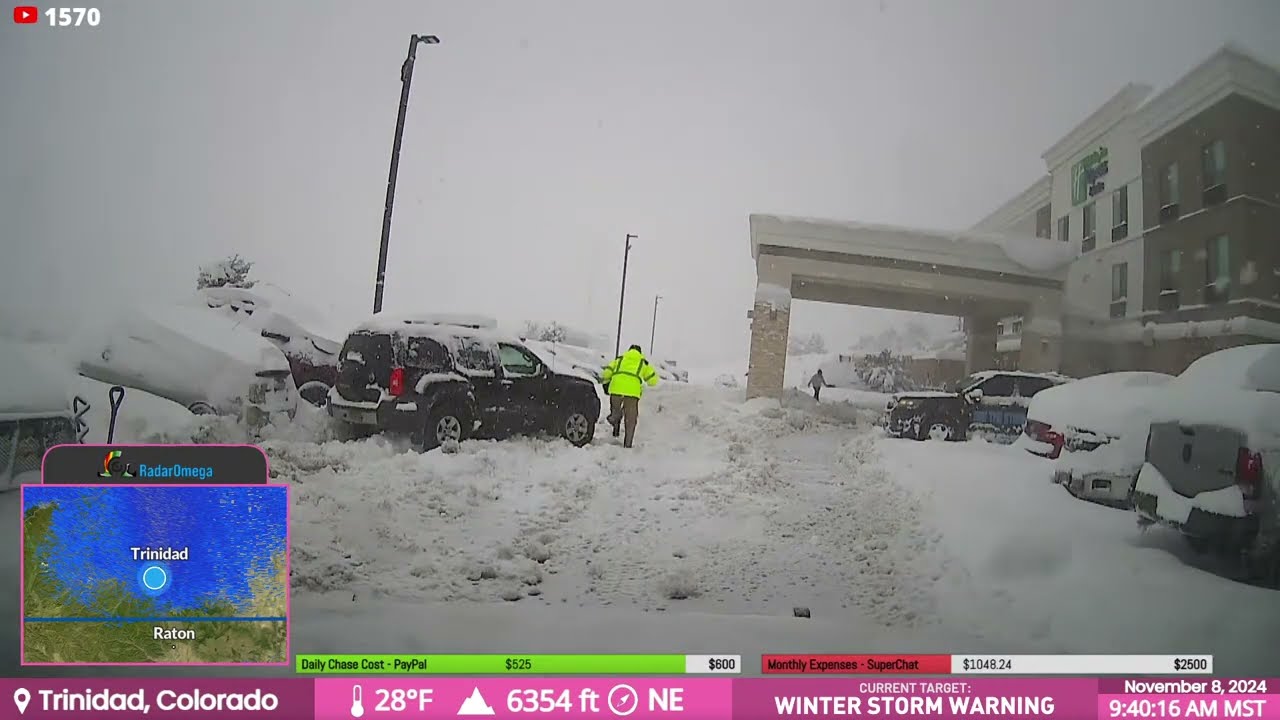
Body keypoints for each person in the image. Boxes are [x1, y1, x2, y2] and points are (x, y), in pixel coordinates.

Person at [600, 344, 659, 448]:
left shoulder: (620, 359)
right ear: (640, 352)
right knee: (631, 419)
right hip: (632, 392)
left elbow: (606, 373)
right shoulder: (642, 362)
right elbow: (653, 381)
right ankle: (627, 445)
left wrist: (608, 380)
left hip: (616, 389)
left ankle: (614, 417)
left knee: (616, 409)